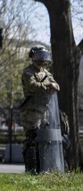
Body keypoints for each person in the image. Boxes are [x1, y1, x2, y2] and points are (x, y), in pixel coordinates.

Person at [20, 45, 59, 175]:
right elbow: (32, 85)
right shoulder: (28, 72)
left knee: (44, 140)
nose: (41, 59)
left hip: (45, 110)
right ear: (32, 56)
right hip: (31, 111)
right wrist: (47, 85)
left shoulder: (46, 73)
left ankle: (42, 169)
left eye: (43, 56)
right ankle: (31, 170)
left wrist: (54, 86)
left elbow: (56, 84)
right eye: (38, 56)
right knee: (32, 139)